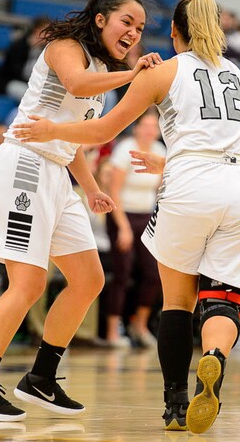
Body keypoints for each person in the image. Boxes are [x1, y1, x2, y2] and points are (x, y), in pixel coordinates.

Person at [13, 0, 240, 435]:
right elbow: (220, 142)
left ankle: (176, 405)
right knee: (223, 297)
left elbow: (104, 129)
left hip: (190, 186)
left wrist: (54, 129)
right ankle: (214, 359)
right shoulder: (239, 77)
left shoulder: (163, 71)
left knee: (177, 301)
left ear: (173, 32)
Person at [0, 0, 162, 422]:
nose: (134, 33)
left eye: (140, 29)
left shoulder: (104, 68)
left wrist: (88, 188)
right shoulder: (65, 47)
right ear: (101, 19)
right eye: (128, 22)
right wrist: (135, 76)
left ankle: (41, 378)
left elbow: (75, 139)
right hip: (25, 166)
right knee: (27, 285)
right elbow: (76, 85)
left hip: (58, 174)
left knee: (89, 279)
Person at [104, 107, 165, 348]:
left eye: (155, 127)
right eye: (146, 126)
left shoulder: (161, 152)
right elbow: (114, 190)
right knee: (123, 272)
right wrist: (124, 228)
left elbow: (161, 190)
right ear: (137, 127)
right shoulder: (124, 150)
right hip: (122, 215)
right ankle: (112, 331)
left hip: (147, 217)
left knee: (153, 273)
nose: (150, 131)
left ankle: (139, 325)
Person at [2, 17, 47, 101]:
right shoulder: (19, 46)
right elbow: (16, 71)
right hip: (15, 82)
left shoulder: (46, 50)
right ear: (36, 31)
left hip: (35, 86)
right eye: (47, 31)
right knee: (29, 95)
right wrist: (32, 49)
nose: (49, 35)